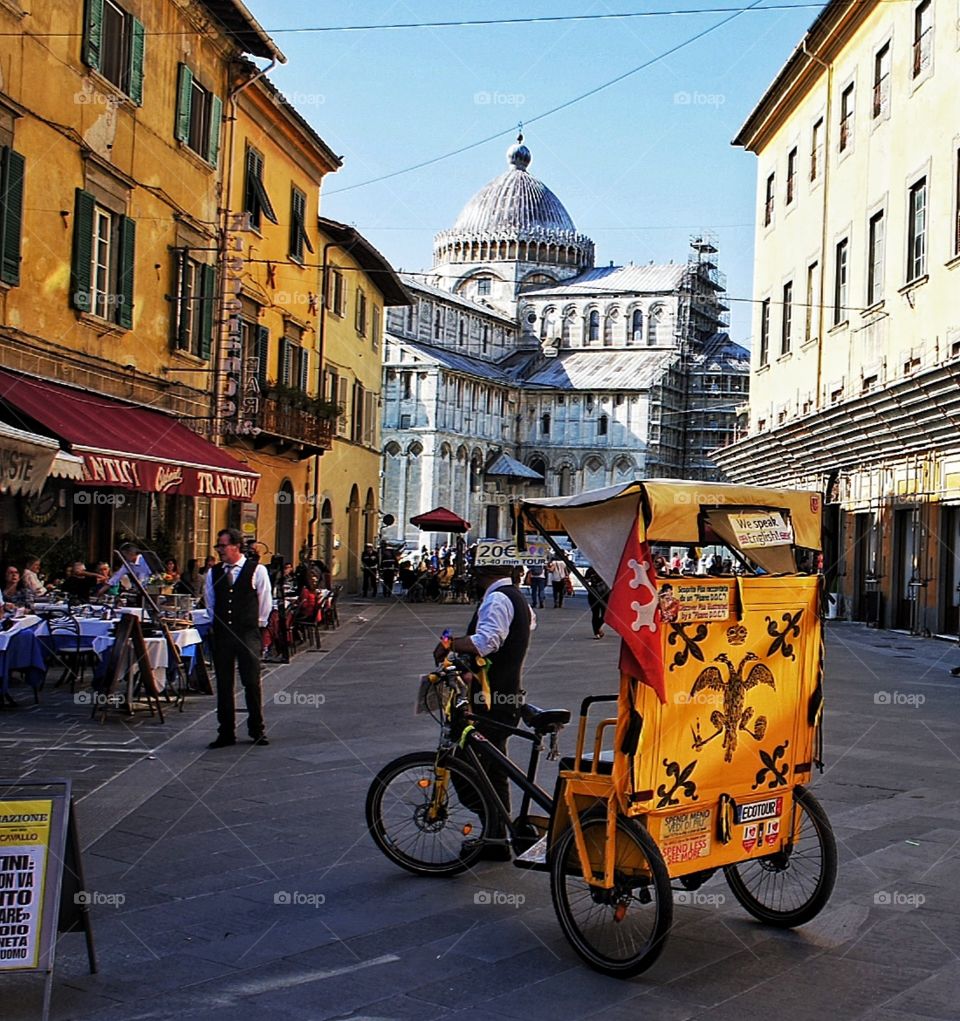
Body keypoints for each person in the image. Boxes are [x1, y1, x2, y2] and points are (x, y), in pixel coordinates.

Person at [436, 560, 535, 860]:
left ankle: (495, 828)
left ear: (483, 574)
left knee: (465, 768)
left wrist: (449, 644)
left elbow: (486, 642)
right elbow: (525, 627)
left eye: (475, 573)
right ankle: (496, 839)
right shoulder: (517, 598)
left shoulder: (498, 598)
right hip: (506, 698)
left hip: (491, 703)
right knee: (495, 770)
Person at [204, 528, 272, 748]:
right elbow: (210, 601)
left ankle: (256, 729)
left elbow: (265, 600)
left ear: (236, 546)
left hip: (247, 633)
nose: (219, 550)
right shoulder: (214, 572)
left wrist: (258, 624)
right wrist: (216, 622)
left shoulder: (256, 570)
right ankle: (226, 732)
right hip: (223, 634)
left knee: (251, 681)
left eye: (223, 546)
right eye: (218, 546)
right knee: (224, 684)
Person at [584, 567, 609, 639]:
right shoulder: (603, 569)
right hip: (600, 593)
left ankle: (597, 629)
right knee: (597, 614)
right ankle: (597, 632)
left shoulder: (591, 570)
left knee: (602, 614)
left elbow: (586, 581)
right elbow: (586, 581)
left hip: (599, 594)